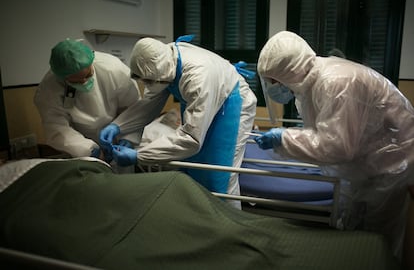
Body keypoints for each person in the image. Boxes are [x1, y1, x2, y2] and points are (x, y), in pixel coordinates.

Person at [254, 30, 414, 265]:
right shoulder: (314, 81)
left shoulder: (334, 82)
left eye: (273, 81)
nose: (273, 88)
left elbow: (337, 146)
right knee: (357, 228)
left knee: (379, 238)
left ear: (289, 72)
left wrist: (284, 138)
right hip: (371, 162)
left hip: (391, 167)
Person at [99, 35, 257, 208]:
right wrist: (118, 126)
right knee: (194, 167)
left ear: (162, 75)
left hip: (233, 103)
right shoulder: (162, 60)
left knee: (222, 176)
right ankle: (201, 218)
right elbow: (149, 104)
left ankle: (230, 228)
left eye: (148, 81)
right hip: (210, 95)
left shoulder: (197, 77)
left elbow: (191, 138)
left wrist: (139, 156)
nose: (146, 85)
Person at [34, 39, 142, 170]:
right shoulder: (49, 88)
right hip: (79, 147)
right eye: (77, 81)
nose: (84, 82)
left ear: (92, 61)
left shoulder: (114, 70)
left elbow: (134, 109)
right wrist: (88, 150)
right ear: (62, 77)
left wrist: (128, 138)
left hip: (118, 138)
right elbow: (56, 127)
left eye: (88, 75)